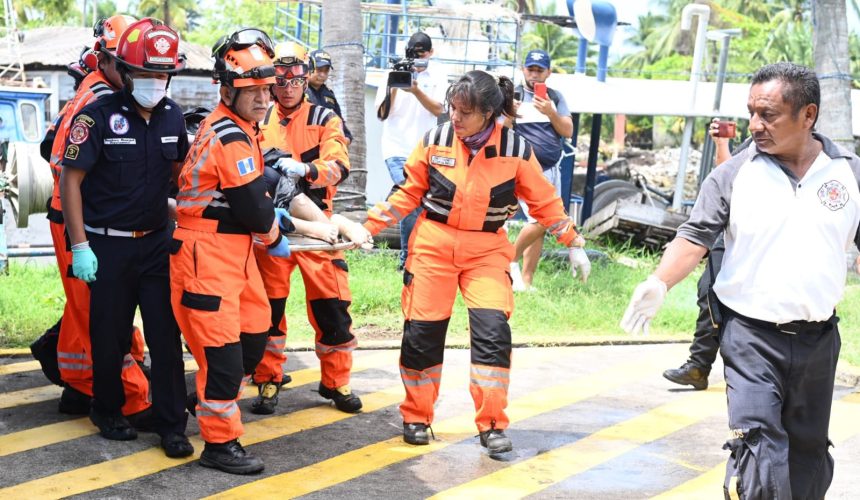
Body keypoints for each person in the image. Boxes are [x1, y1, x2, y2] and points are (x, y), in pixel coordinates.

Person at [621, 62, 860, 499]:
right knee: (759, 452)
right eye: (751, 112)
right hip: (751, 338)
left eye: (768, 114)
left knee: (808, 456)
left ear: (808, 116)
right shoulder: (733, 174)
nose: (755, 125)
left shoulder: (849, 174)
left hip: (819, 341)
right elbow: (694, 236)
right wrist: (659, 281)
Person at [363, 70, 586, 457]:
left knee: (493, 335)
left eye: (465, 112)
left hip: (486, 250)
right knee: (421, 335)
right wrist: (369, 227)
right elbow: (406, 193)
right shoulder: (435, 141)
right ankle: (416, 416)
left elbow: (544, 201)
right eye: (452, 109)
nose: (455, 118)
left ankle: (493, 424)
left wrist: (573, 241)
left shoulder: (516, 150)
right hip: (433, 245)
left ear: (488, 113)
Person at [59, 17, 193, 458]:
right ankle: (108, 409)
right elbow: (70, 181)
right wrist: (80, 246)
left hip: (156, 243)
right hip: (107, 246)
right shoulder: (97, 116)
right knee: (110, 334)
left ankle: (172, 424)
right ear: (126, 71)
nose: (156, 83)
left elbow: (179, 179)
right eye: (147, 74)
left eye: (163, 74)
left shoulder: (174, 116)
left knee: (165, 337)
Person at [171, 28, 291, 475]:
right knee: (222, 352)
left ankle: (205, 399)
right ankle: (220, 443)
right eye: (251, 91)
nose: (263, 100)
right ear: (226, 89)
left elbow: (255, 199)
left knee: (254, 336)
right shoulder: (229, 135)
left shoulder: (245, 129)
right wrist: (279, 235)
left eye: (267, 90)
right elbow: (255, 211)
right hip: (207, 253)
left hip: (233, 252)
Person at [47, 15, 155, 419]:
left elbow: (49, 148)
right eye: (129, 65)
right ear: (108, 60)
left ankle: (78, 386)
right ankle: (131, 398)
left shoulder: (88, 91)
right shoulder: (101, 103)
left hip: (70, 217)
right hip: (83, 224)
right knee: (104, 314)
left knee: (82, 310)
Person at [252, 41, 362, 415]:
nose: (286, 86)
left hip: (320, 225)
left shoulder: (324, 117)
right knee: (269, 307)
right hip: (273, 226)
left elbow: (339, 165)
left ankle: (336, 381)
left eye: (294, 77)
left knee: (332, 306)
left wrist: (307, 171)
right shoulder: (258, 117)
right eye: (279, 78)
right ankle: (267, 379)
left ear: (305, 75)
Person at [661, 118, 736, 390]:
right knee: (709, 294)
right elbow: (727, 175)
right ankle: (698, 366)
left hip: (764, 248)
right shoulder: (752, 152)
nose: (759, 123)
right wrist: (722, 143)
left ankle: (745, 370)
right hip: (726, 239)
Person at [374, 31, 448, 270]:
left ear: (431, 53)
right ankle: (407, 261)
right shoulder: (392, 72)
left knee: (416, 200)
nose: (417, 60)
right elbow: (382, 114)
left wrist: (416, 90)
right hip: (396, 148)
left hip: (424, 150)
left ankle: (417, 255)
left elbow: (440, 110)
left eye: (421, 55)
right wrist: (396, 83)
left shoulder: (438, 73)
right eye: (413, 55)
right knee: (412, 197)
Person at [507, 49, 578, 291]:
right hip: (521, 169)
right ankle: (509, 259)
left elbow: (568, 131)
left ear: (548, 72)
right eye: (530, 69)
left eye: (540, 70)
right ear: (522, 69)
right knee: (540, 219)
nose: (534, 75)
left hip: (549, 168)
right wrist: (509, 110)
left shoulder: (555, 98)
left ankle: (526, 280)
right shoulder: (511, 94)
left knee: (541, 224)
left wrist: (550, 112)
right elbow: (497, 128)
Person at [305, 49, 353, 143]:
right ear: (310, 67)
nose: (322, 75)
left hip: (326, 149)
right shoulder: (299, 91)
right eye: (319, 70)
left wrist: (342, 142)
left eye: (326, 71)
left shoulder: (329, 95)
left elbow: (344, 131)